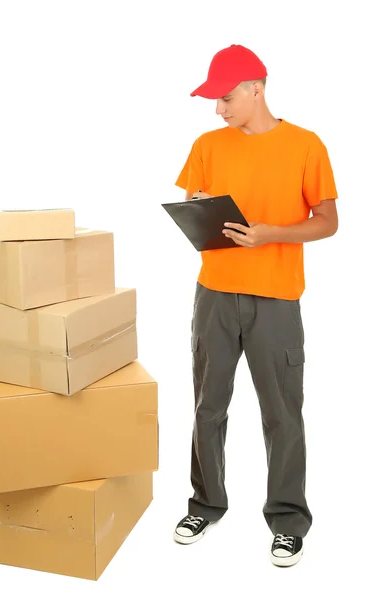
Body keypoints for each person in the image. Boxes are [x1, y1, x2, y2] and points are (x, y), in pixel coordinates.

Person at [172, 44, 338, 567]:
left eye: (224, 98)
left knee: (282, 414)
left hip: (277, 299)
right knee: (207, 405)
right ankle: (205, 504)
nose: (218, 109)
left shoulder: (306, 145)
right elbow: (198, 207)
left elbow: (328, 221)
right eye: (213, 100)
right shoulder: (206, 145)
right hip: (215, 294)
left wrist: (270, 235)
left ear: (255, 89)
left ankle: (288, 520)